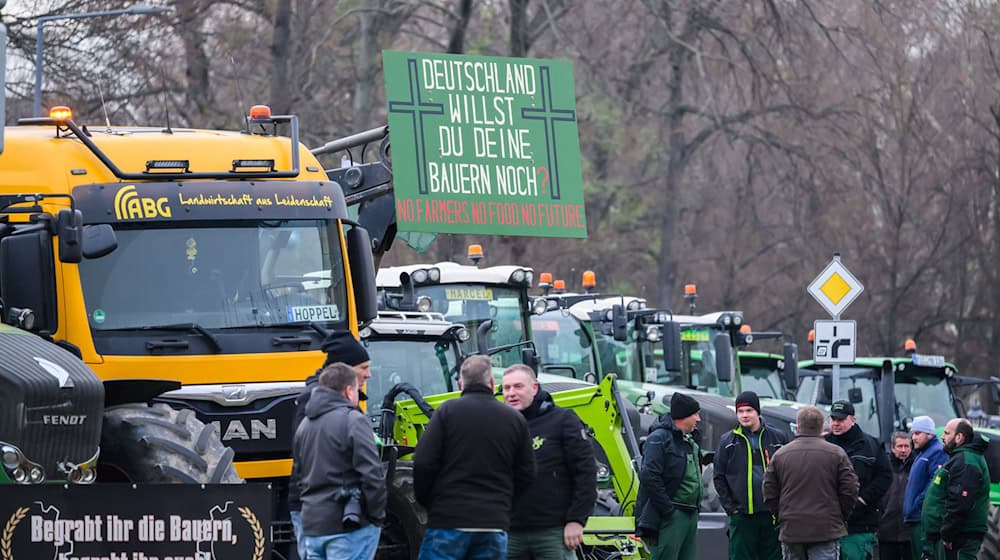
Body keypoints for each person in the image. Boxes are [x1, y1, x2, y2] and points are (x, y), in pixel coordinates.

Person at [413, 355, 536, 559]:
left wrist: (430, 503)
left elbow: (423, 463)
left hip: (448, 519)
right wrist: (503, 504)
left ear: (461, 383)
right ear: (491, 383)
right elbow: (527, 473)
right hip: (493, 523)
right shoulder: (514, 419)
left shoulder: (446, 412)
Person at [289, 332, 372, 559]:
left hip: (320, 509)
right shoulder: (315, 401)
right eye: (363, 367)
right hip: (326, 511)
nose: (369, 374)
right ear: (344, 370)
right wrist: (375, 514)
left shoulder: (324, 400)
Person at [501, 364, 597, 560]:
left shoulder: (562, 420)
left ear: (534, 388)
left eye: (518, 386)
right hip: (510, 533)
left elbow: (585, 472)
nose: (511, 393)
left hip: (553, 533)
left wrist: (576, 520)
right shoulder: (499, 426)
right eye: (506, 388)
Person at [763, 405, 859, 560]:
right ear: (822, 426)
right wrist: (840, 516)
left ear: (798, 426)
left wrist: (781, 515)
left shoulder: (780, 455)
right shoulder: (837, 453)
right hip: (826, 528)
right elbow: (851, 489)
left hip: (791, 528)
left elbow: (769, 491)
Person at [714, 391, 789, 560]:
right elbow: (719, 477)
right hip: (742, 516)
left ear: (758, 412)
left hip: (772, 515)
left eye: (749, 410)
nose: (745, 415)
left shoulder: (778, 437)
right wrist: (731, 508)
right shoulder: (727, 441)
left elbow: (789, 474)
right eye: (740, 411)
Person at [635, 391, 704, 560]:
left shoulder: (691, 441)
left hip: (689, 514)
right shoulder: (659, 438)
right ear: (682, 416)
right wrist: (668, 510)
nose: (698, 419)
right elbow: (649, 476)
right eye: (695, 414)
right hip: (672, 516)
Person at [825, 401, 892, 560]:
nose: (836, 423)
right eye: (833, 419)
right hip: (828, 523)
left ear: (853, 420)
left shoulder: (871, 445)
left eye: (840, 419)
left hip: (860, 524)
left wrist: (863, 499)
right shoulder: (823, 444)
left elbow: (885, 476)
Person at [920, 419, 991, 560]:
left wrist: (948, 534)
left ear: (959, 437)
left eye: (947, 433)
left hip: (958, 538)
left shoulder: (966, 460)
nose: (942, 436)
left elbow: (960, 502)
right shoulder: (960, 457)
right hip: (954, 536)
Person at [903, 416, 949, 560]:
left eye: (918, 433)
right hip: (916, 518)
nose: (913, 437)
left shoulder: (937, 452)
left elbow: (933, 486)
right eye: (913, 433)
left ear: (929, 434)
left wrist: (917, 505)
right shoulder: (922, 453)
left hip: (923, 520)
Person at [879, 432, 913, 560]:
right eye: (900, 446)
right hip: (887, 527)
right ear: (893, 448)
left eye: (906, 446)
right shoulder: (884, 467)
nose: (903, 450)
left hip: (909, 529)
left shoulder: (916, 466)